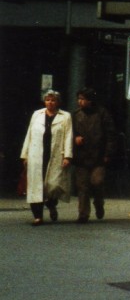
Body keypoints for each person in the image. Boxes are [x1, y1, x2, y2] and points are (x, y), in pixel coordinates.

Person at [20, 89, 73, 225]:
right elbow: (29, 134)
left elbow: (68, 136)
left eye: (53, 100)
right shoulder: (37, 114)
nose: (50, 102)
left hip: (55, 154)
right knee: (35, 186)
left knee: (53, 185)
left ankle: (51, 203)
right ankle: (38, 216)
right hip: (36, 154)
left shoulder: (65, 116)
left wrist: (67, 156)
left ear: (58, 102)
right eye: (48, 100)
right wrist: (25, 155)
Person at [71, 88, 117, 223]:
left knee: (97, 182)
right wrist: (75, 138)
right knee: (82, 186)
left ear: (90, 100)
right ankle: (83, 214)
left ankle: (98, 202)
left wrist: (108, 153)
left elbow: (110, 134)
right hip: (81, 156)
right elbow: (68, 132)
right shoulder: (75, 115)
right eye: (79, 98)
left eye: (83, 99)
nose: (80, 101)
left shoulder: (102, 113)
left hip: (99, 156)